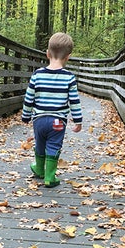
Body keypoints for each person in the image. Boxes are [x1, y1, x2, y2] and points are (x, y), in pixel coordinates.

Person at [22, 32, 83, 188]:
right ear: (68, 57)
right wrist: (78, 120)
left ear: (47, 54)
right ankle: (50, 176)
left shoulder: (37, 75)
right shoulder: (69, 77)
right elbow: (74, 101)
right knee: (54, 146)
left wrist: (25, 116)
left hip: (39, 120)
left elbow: (29, 98)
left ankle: (38, 168)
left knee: (40, 143)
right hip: (58, 122)